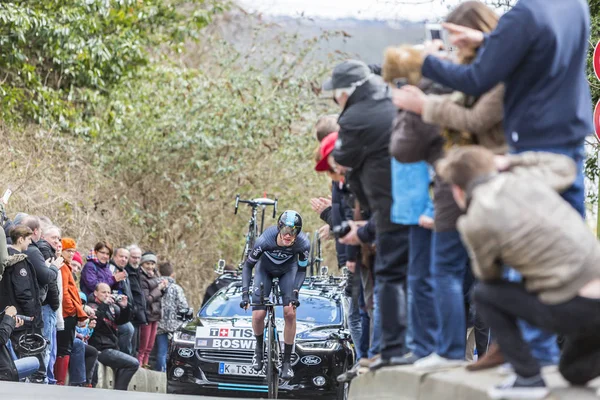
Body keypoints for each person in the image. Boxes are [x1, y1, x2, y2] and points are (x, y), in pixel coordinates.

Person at [437, 146, 600, 399]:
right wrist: (513, 161)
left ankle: (528, 378)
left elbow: (488, 275)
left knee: (484, 294)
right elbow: (566, 167)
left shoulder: (474, 219)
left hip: (574, 304)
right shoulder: (526, 178)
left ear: (458, 190)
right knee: (572, 373)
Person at [414, 0, 592, 217]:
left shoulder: (524, 15)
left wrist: (425, 62)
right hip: (570, 134)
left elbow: (476, 79)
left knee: (535, 228)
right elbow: (542, 40)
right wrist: (484, 39)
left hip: (534, 140)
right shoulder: (573, 5)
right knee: (570, 222)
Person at [323, 59, 410, 370]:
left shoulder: (356, 117)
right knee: (410, 277)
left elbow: (342, 158)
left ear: (344, 93)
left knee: (389, 276)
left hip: (387, 204)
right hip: (404, 198)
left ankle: (392, 349)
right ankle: (400, 347)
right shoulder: (389, 99)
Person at [239, 210, 310, 379]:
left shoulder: (303, 244)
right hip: (265, 270)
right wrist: (245, 293)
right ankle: (258, 351)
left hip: (288, 271)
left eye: (293, 232)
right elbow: (247, 266)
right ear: (279, 228)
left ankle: (286, 362)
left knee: (290, 313)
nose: (288, 235)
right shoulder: (264, 240)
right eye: (285, 230)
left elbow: (301, 270)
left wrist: (295, 292)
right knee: (258, 314)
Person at [0, 225, 46, 382]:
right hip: (20, 316)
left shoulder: (6, 258)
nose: (29, 244)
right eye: (28, 240)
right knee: (27, 352)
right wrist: (31, 314)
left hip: (11, 314)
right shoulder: (19, 262)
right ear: (20, 239)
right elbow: (23, 291)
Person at [88, 283, 139, 390]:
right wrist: (105, 305)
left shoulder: (111, 308)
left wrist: (125, 307)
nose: (106, 295)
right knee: (134, 363)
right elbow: (96, 322)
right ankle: (120, 392)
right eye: (103, 292)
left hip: (111, 347)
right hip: (100, 349)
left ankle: (119, 391)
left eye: (108, 292)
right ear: (95, 293)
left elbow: (122, 321)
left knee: (128, 362)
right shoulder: (91, 306)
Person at [54, 238, 89, 385]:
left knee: (66, 349)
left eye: (73, 251)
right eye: (69, 251)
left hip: (69, 314)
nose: (71, 254)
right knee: (63, 349)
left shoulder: (66, 266)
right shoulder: (62, 266)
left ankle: (60, 382)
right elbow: (64, 292)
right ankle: (59, 382)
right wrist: (72, 311)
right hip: (66, 315)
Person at [156, 262, 188, 372]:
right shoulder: (177, 288)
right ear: (172, 274)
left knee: (161, 351)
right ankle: (173, 372)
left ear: (159, 272)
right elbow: (183, 306)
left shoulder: (155, 286)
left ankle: (161, 372)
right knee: (175, 352)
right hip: (174, 325)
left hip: (158, 324)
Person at [138, 252, 166, 368]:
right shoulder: (141, 277)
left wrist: (163, 289)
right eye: (147, 263)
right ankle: (139, 365)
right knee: (143, 346)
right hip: (147, 314)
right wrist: (159, 289)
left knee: (150, 346)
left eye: (152, 264)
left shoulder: (155, 276)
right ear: (143, 264)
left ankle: (145, 364)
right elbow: (147, 299)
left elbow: (158, 295)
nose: (150, 267)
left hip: (156, 314)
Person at [0, 306, 40, 382]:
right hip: (3, 371)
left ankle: (22, 379)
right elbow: (1, 338)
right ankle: (22, 380)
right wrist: (8, 317)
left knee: (8, 342)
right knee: (35, 362)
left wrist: (10, 322)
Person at [110, 247, 135, 355]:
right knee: (128, 329)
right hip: (113, 310)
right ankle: (123, 358)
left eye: (126, 257)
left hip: (125, 309)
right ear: (114, 256)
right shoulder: (111, 270)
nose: (123, 259)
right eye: (121, 256)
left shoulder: (124, 273)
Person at [125, 244, 146, 357]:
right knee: (130, 347)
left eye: (138, 257)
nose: (136, 260)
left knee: (135, 347)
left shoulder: (138, 272)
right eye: (133, 257)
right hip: (130, 313)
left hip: (138, 314)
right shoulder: (126, 272)